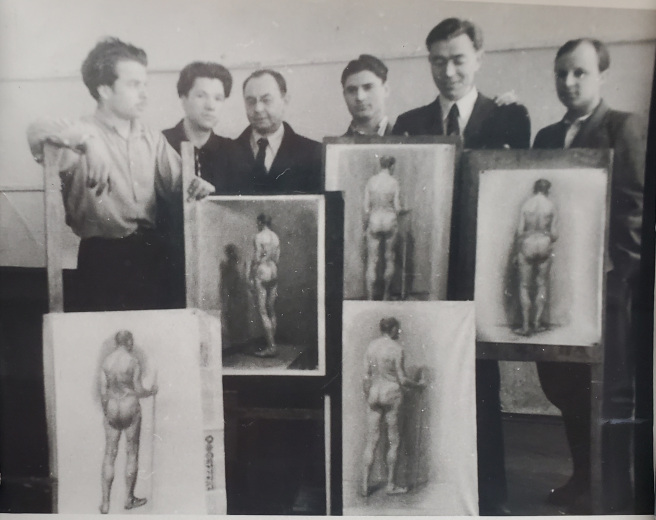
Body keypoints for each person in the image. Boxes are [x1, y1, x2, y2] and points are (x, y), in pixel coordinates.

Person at [393, 18, 531, 514]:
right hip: (427, 275)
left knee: (481, 385)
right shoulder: (409, 121)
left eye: (457, 59)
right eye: (438, 61)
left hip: (481, 274)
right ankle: (430, 491)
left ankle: (489, 500)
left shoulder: (508, 118)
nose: (448, 71)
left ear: (479, 58)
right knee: (427, 378)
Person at [534, 38, 646, 514]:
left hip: (606, 293)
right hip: (557, 287)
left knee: (609, 398)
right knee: (566, 389)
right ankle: (582, 480)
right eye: (561, 73)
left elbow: (637, 212)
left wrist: (617, 279)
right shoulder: (545, 137)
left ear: (602, 74)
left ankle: (615, 494)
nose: (569, 82)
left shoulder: (624, 126)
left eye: (579, 72)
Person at [26, 37, 215, 312]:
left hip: (152, 261)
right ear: (104, 89)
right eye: (134, 85)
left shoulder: (151, 137)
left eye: (145, 85)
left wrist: (197, 185)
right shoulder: (79, 136)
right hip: (101, 264)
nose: (144, 94)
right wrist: (88, 143)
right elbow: (36, 129)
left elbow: (181, 186)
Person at [161, 61, 233, 307]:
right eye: (201, 96)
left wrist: (215, 196)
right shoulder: (159, 144)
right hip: (164, 269)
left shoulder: (235, 152)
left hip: (216, 268)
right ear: (183, 98)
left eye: (218, 98)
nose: (210, 105)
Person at [227, 69, 323, 194]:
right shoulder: (226, 154)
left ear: (285, 101)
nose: (258, 108)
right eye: (251, 101)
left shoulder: (314, 153)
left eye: (266, 100)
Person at [361, 317, 424, 496]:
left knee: (371, 441)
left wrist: (368, 394)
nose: (399, 332)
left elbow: (365, 377)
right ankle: (390, 486)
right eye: (398, 329)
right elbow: (402, 380)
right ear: (393, 329)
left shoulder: (371, 347)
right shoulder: (396, 349)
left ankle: (364, 485)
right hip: (391, 394)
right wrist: (419, 385)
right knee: (393, 441)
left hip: (374, 393)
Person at [99, 330, 157, 514]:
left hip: (112, 407)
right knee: (132, 453)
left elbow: (103, 392)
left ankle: (105, 503)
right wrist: (151, 391)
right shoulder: (133, 361)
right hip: (129, 406)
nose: (133, 344)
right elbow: (138, 389)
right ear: (129, 341)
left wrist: (107, 411)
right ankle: (129, 499)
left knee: (110, 454)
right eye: (132, 341)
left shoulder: (106, 362)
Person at [514, 179, 558, 336]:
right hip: (544, 244)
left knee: (524, 286)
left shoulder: (526, 205)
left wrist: (519, 250)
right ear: (547, 190)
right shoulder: (551, 206)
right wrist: (544, 234)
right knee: (541, 285)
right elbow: (554, 235)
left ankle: (526, 326)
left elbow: (520, 232)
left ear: (535, 189)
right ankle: (537, 324)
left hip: (528, 244)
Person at [363, 156, 401, 300]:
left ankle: (370, 299)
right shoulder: (394, 183)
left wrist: (366, 226)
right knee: (389, 258)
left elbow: (366, 208)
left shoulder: (371, 181)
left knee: (372, 261)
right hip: (389, 221)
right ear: (392, 166)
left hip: (374, 221)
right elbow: (397, 207)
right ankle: (385, 296)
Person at [249, 213, 281, 358]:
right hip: (273, 269)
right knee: (271, 309)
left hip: (262, 270)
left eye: (258, 222)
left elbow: (257, 256)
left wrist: (250, 271)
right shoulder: (275, 237)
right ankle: (272, 344)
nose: (257, 225)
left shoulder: (259, 236)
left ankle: (271, 347)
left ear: (261, 222)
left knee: (262, 311)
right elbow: (277, 257)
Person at [341, 54, 393, 136]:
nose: (360, 97)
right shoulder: (332, 144)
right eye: (352, 90)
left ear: (386, 90)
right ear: (344, 95)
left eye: (368, 87)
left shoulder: (410, 141)